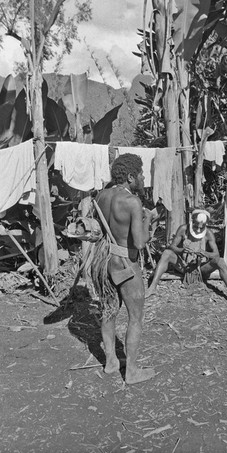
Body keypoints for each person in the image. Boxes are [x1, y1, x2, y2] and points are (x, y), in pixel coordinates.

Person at [91, 153, 156, 384]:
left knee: (109, 312)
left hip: (104, 263)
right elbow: (139, 242)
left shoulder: (101, 196)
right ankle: (132, 372)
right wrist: (149, 220)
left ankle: (111, 362)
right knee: (135, 318)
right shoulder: (132, 202)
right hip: (126, 264)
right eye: (140, 174)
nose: (143, 178)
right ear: (130, 176)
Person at [146, 208, 227, 309]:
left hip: (200, 269)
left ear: (205, 225)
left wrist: (205, 253)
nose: (198, 229)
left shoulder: (208, 234)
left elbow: (216, 254)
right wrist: (181, 250)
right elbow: (171, 246)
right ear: (192, 221)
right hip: (183, 266)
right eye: (195, 226)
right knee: (167, 253)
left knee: (220, 261)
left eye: (201, 228)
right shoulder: (183, 229)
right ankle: (153, 286)